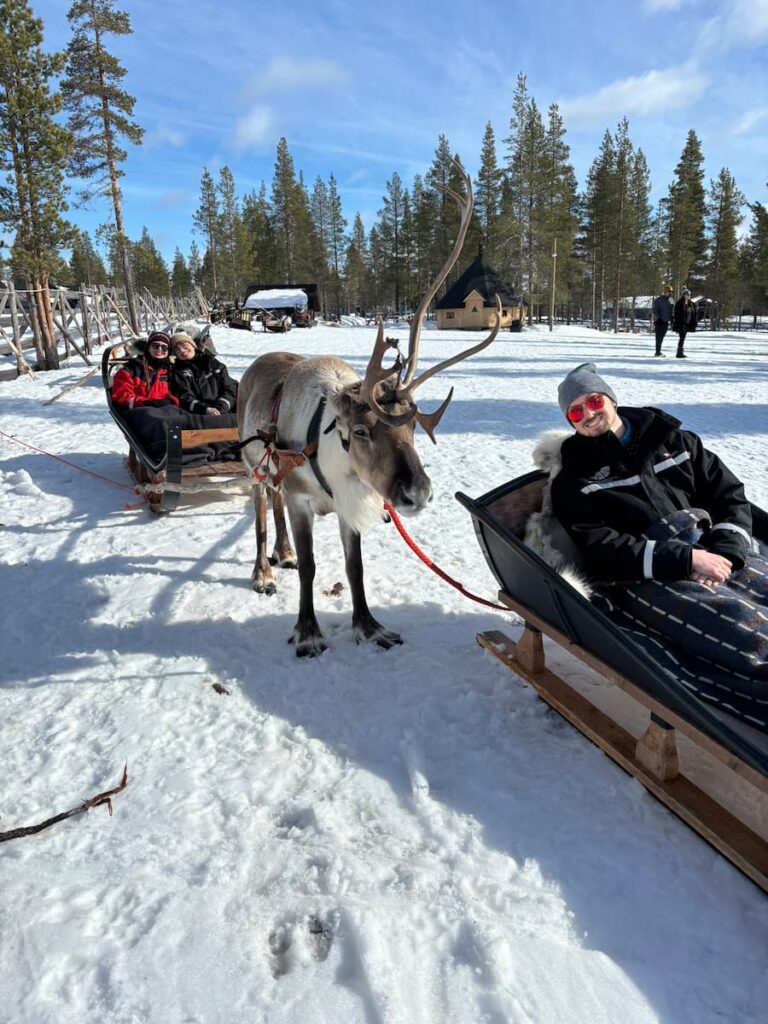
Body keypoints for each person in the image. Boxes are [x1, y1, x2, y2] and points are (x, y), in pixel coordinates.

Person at [549, 362, 767, 712]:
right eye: (575, 412)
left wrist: (724, 552)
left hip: (713, 544)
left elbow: (728, 496)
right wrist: (686, 560)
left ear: (611, 399)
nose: (587, 415)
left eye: (593, 402)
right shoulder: (575, 480)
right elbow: (600, 547)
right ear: (571, 423)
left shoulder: (675, 441)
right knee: (738, 625)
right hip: (646, 572)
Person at [111, 330, 184, 462]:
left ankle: (188, 454)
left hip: (165, 411)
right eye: (155, 346)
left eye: (164, 347)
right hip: (138, 412)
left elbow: (179, 392)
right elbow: (121, 395)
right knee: (160, 422)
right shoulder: (131, 370)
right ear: (148, 347)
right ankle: (162, 459)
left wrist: (170, 401)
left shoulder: (170, 371)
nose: (159, 350)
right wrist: (146, 403)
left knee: (183, 419)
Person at [168, 331, 238, 419]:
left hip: (226, 411)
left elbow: (230, 387)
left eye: (183, 344)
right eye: (177, 349)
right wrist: (205, 409)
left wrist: (222, 407)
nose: (182, 350)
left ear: (192, 345)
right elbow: (184, 396)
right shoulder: (178, 372)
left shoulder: (213, 363)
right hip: (198, 416)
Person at [672, 288, 697, 358]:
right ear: (684, 295)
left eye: (689, 295)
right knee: (682, 337)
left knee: (683, 337)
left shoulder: (691, 304)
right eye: (687, 294)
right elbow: (677, 314)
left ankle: (680, 351)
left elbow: (693, 313)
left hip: (687, 323)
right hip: (680, 323)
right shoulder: (679, 303)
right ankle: (679, 352)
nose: (688, 296)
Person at [651, 284, 674, 357]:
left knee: (662, 337)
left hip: (666, 322)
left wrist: (672, 319)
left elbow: (672, 310)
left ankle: (659, 351)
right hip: (659, 321)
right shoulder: (659, 300)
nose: (670, 293)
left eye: (671, 292)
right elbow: (654, 310)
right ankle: (657, 352)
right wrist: (658, 317)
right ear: (665, 292)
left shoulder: (671, 300)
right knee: (658, 337)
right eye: (669, 292)